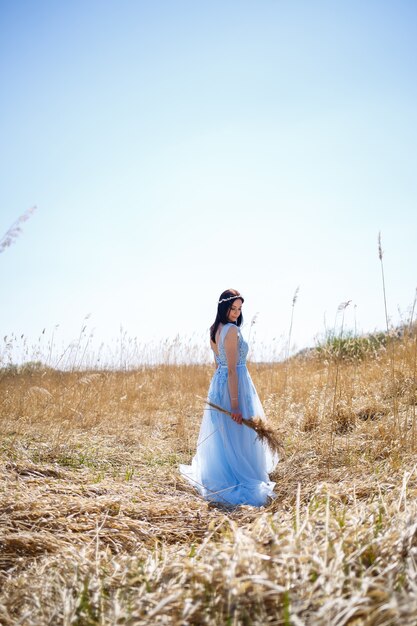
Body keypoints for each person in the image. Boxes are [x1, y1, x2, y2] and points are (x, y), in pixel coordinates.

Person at [179, 289, 278, 507]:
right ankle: (239, 474)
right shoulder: (232, 331)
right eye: (233, 308)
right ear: (224, 308)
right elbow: (232, 369)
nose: (236, 312)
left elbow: (218, 365)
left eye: (240, 308)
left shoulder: (215, 330)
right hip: (235, 383)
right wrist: (234, 404)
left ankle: (228, 469)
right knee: (238, 430)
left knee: (226, 432)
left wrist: (220, 389)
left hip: (219, 383)